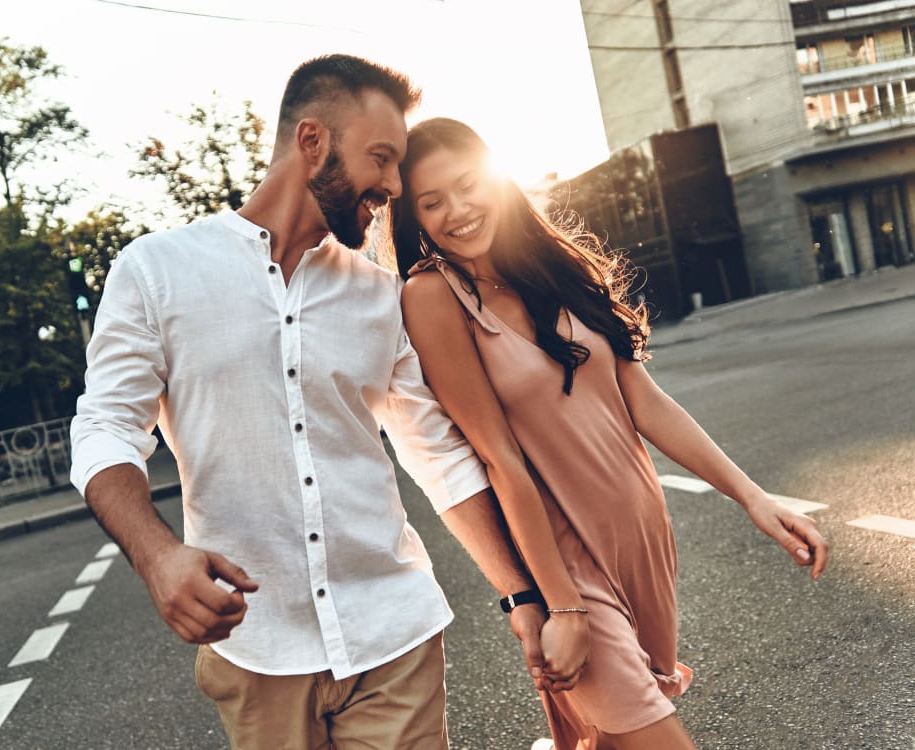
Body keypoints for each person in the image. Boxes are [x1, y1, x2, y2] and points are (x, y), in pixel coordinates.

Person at [70, 57, 575, 750]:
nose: (394, 186)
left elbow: (438, 457)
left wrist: (521, 595)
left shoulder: (378, 294)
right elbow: (104, 430)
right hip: (257, 649)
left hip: (393, 633)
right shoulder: (157, 272)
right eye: (381, 159)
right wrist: (158, 555)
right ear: (312, 143)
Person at [388, 117, 830, 750]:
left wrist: (754, 497)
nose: (457, 210)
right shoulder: (432, 297)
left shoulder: (552, 269)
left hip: (641, 539)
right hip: (565, 557)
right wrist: (558, 605)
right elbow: (499, 459)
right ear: (416, 219)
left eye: (466, 185)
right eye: (432, 202)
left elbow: (645, 403)